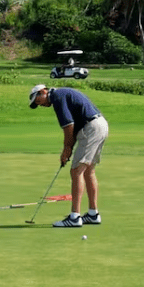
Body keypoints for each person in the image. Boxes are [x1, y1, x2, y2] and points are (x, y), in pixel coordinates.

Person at [28, 84, 108, 228]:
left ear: (43, 92)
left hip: (91, 128)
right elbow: (75, 125)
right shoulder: (62, 94)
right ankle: (92, 214)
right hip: (100, 125)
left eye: (39, 101)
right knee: (88, 170)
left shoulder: (57, 97)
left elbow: (68, 126)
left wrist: (67, 148)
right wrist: (69, 148)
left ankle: (74, 217)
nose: (42, 105)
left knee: (76, 171)